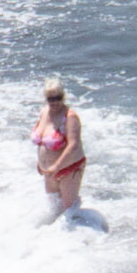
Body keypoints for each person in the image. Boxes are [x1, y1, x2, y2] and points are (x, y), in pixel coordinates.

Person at [30, 78, 86, 216]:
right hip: (48, 172)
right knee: (54, 210)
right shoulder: (44, 112)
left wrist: (56, 167)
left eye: (58, 98)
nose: (54, 102)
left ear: (64, 96)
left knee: (70, 212)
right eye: (50, 99)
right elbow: (42, 141)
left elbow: (73, 145)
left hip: (67, 169)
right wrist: (41, 162)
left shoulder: (70, 117)